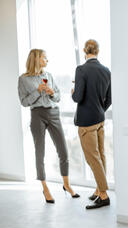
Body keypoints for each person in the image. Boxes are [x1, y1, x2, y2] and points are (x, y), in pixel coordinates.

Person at [18, 49, 79, 203]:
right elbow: (24, 102)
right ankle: (45, 188)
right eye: (45, 58)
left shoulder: (49, 76)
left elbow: (58, 96)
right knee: (40, 152)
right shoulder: (23, 79)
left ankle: (67, 184)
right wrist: (38, 92)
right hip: (37, 115)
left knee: (63, 151)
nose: (47, 60)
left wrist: (52, 93)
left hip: (53, 113)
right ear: (37, 59)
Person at [72, 39, 112, 210]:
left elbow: (78, 97)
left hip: (87, 121)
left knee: (93, 158)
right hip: (100, 119)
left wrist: (73, 92)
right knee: (100, 155)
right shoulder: (106, 70)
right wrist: (99, 110)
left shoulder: (81, 70)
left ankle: (103, 195)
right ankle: (98, 189)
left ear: (84, 51)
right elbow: (109, 99)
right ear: (98, 51)